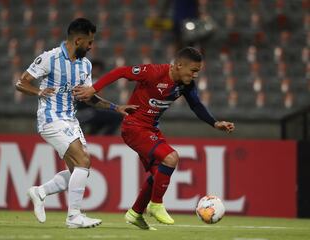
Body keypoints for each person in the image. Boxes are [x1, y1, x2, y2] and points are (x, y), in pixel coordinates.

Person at [73, 47, 235, 230]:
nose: (196, 75)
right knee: (171, 157)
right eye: (194, 70)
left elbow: (196, 105)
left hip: (150, 129)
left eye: (198, 71)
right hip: (134, 127)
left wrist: (214, 123)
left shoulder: (185, 84)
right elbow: (120, 72)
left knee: (159, 173)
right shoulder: (153, 72)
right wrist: (93, 89)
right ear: (179, 65)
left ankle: (135, 212)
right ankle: (156, 204)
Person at [15, 18, 137, 228]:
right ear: (78, 40)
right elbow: (21, 82)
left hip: (71, 120)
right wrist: (39, 91)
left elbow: (89, 97)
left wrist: (116, 108)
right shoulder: (49, 58)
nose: (91, 46)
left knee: (78, 171)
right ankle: (74, 217)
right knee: (83, 161)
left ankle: (40, 192)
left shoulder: (85, 65)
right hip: (51, 118)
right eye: (89, 42)